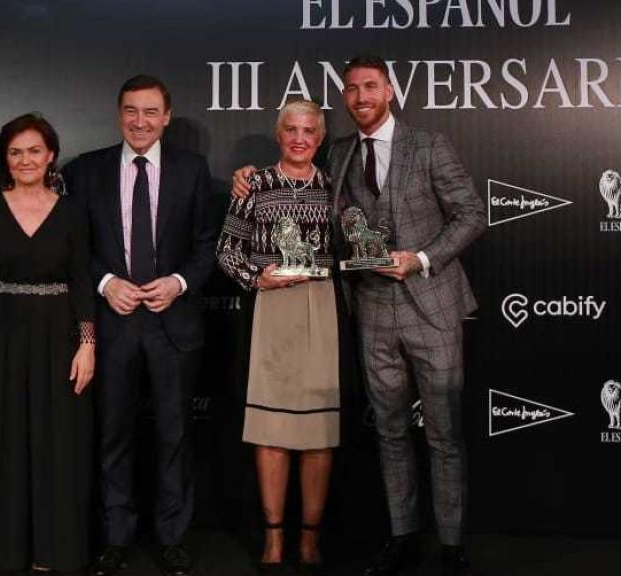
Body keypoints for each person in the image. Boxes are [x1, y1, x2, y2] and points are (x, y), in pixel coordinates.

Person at [233, 55, 486, 576]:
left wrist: (419, 259)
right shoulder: (342, 153)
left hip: (432, 307)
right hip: (370, 309)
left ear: (389, 90)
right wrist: (245, 180)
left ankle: (453, 545)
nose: (361, 97)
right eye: (351, 89)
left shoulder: (430, 145)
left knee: (442, 434)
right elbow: (300, 196)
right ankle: (401, 538)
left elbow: (471, 214)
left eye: (370, 86)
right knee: (391, 432)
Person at [63, 75, 218, 576]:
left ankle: (172, 538)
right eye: (131, 110)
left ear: (167, 117)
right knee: (113, 436)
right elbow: (73, 249)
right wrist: (107, 282)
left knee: (174, 436)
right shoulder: (86, 172)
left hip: (173, 323)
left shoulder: (193, 171)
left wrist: (177, 282)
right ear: (118, 113)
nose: (140, 121)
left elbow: (205, 243)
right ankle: (116, 538)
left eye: (151, 112)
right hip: (114, 322)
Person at [0, 113, 96, 573]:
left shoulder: (73, 212)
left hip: (59, 338)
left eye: (34, 151)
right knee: (3, 441)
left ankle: (51, 551)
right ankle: (3, 551)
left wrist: (88, 343)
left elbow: (82, 283)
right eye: (16, 152)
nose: (26, 160)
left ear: (51, 155)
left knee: (56, 441)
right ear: (5, 159)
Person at [216, 100, 340, 574]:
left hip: (325, 307)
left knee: (319, 433)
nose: (299, 138)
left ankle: (309, 539)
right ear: (278, 134)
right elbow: (226, 251)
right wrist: (256, 277)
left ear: (321, 137)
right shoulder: (255, 184)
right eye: (290, 129)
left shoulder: (336, 187)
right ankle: (272, 538)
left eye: (309, 130)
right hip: (271, 308)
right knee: (271, 432)